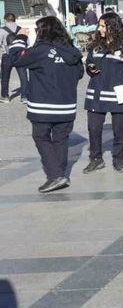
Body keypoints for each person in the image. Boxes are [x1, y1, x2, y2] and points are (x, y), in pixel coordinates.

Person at [12, 17, 84, 193]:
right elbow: (80, 73)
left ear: (43, 31)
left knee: (41, 137)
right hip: (66, 105)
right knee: (61, 140)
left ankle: (55, 175)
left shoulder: (40, 50)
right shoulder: (72, 51)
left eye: (37, 30)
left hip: (43, 105)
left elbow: (15, 59)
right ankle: (59, 175)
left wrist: (20, 38)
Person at [82, 13, 123, 174]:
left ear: (112, 26)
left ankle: (118, 160)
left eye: (103, 26)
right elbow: (89, 62)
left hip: (119, 95)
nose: (99, 29)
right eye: (99, 26)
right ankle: (95, 159)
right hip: (96, 94)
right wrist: (90, 68)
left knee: (119, 130)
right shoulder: (96, 45)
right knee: (93, 129)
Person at [2, 13, 28, 103]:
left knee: (5, 77)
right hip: (20, 56)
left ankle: (5, 97)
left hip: (7, 56)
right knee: (23, 77)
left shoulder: (1, 30)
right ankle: (24, 97)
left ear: (5, 20)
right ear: (15, 19)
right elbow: (26, 43)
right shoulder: (21, 30)